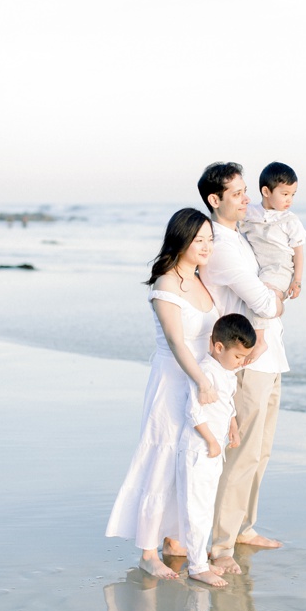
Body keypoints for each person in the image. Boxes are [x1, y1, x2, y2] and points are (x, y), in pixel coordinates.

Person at [107, 208, 220, 579]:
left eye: (209, 239)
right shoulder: (165, 284)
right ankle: (147, 551)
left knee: (187, 459)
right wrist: (201, 382)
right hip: (173, 380)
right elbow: (175, 341)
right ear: (181, 239)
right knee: (161, 456)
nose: (206, 246)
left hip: (203, 380)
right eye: (199, 239)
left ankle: (175, 538)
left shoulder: (203, 280)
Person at [197, 162, 287, 575]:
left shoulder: (242, 236)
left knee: (261, 452)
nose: (246, 198)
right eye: (237, 193)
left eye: (246, 190)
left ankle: (244, 528)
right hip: (246, 359)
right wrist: (275, 301)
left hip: (269, 358)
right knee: (241, 455)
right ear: (215, 201)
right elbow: (267, 303)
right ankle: (220, 545)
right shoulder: (222, 245)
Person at [176, 313, 255, 587]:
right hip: (199, 450)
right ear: (218, 347)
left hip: (214, 450)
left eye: (245, 358)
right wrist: (211, 440)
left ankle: (200, 557)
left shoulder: (226, 371)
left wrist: (232, 425)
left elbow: (226, 404)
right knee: (197, 508)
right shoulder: (206, 371)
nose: (241, 363)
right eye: (238, 357)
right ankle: (197, 566)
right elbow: (193, 412)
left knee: (206, 506)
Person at [240, 161, 306, 353]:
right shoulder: (251, 212)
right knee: (252, 296)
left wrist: (297, 281)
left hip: (280, 268)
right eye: (284, 194)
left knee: (263, 295)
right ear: (266, 191)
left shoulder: (290, 221)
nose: (289, 200)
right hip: (261, 267)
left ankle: (260, 340)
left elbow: (299, 252)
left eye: (292, 195)